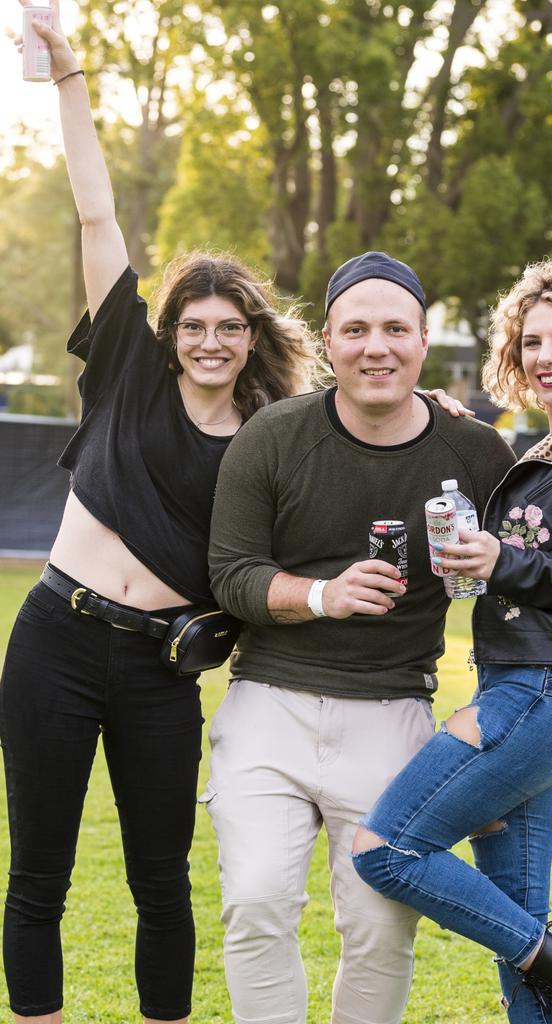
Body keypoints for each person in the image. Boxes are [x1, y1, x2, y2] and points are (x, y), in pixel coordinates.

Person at [0, 3, 320, 1022]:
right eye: (197, 322)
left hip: (159, 667)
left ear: (250, 337)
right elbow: (98, 219)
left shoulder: (271, 432)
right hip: (55, 636)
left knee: (160, 880)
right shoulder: (127, 370)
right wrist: (69, 78)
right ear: (171, 330)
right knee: (37, 874)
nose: (213, 339)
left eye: (232, 326)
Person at [205, 249, 517, 1024]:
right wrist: (322, 595)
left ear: (421, 340)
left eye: (394, 329)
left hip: (393, 711)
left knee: (380, 925)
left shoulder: (477, 452)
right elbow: (231, 573)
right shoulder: (274, 437)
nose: (375, 346)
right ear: (330, 342)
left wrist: (493, 743)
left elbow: (515, 602)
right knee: (255, 903)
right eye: (355, 329)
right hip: (268, 702)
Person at [352, 258, 552, 1024]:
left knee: (385, 851)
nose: (546, 356)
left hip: (548, 694)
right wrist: (449, 419)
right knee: (518, 910)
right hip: (516, 688)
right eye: (531, 341)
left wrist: (507, 561)